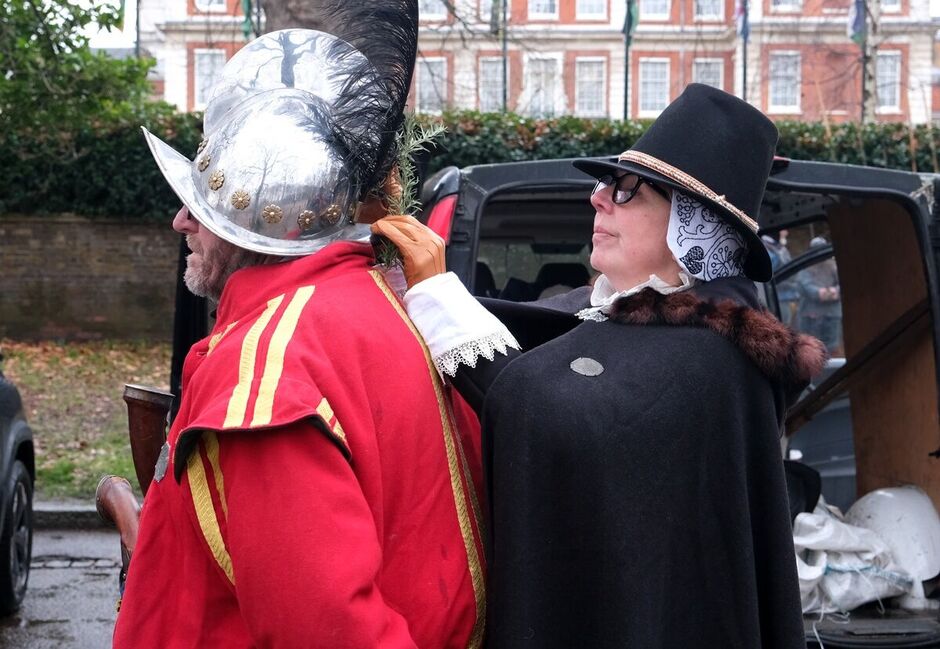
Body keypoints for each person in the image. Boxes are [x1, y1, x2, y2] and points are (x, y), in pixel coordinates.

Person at [373, 84, 826, 648]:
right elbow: (545, 353)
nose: (598, 199)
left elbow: (552, 413)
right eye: (606, 183)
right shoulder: (616, 312)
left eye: (628, 190)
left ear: (693, 224)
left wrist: (437, 299)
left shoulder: (714, 358)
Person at [113, 10, 487, 648]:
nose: (181, 222)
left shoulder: (266, 370)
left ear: (254, 223)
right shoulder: (382, 305)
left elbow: (330, 631)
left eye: (203, 205)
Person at [797, 236, 843, 354]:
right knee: (812, 348)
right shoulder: (806, 268)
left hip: (832, 315)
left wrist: (833, 291)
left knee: (831, 348)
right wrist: (822, 293)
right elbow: (807, 288)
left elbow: (843, 283)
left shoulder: (834, 266)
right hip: (812, 316)